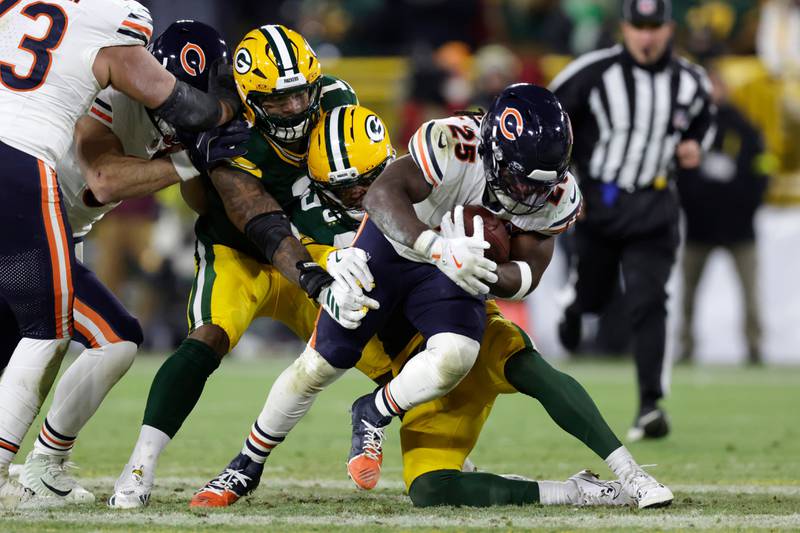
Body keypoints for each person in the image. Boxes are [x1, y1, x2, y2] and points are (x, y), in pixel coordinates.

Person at [191, 103, 674, 510]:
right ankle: (246, 465)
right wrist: (437, 248)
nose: (528, 194)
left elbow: (528, 273)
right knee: (320, 362)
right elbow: (382, 196)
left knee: (458, 354)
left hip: (451, 268)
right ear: (491, 151)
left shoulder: (556, 195)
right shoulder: (453, 144)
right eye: (519, 179)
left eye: (539, 185)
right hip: (398, 245)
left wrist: (485, 272)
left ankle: (375, 410)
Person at [108, 24, 378, 509]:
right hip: (239, 249)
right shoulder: (224, 129)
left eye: (300, 93)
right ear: (249, 98)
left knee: (380, 344)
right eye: (278, 99)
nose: (294, 107)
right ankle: (139, 466)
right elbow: (255, 218)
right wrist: (312, 275)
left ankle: (436, 446)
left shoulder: (336, 99)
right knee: (208, 336)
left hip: (311, 245)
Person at [0, 0, 239, 508]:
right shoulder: (112, 81)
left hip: (47, 226)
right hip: (27, 208)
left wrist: (217, 159)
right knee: (106, 336)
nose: (180, 108)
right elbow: (104, 180)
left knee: (43, 342)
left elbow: (197, 195)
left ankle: (43, 466)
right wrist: (193, 157)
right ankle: (42, 466)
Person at [550, 0, 716, 441]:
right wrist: (565, 183)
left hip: (655, 204)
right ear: (624, 28)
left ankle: (650, 405)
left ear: (669, 29)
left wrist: (695, 144)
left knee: (649, 301)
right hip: (600, 202)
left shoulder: (690, 80)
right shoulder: (591, 73)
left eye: (654, 26)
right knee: (595, 296)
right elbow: (549, 120)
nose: (646, 36)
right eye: (638, 26)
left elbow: (705, 122)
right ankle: (575, 305)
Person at [677, 68, 770, 365]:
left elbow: (761, 173)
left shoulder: (744, 127)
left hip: (739, 226)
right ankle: (685, 345)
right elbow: (681, 174)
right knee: (688, 292)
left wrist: (740, 200)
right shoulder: (691, 128)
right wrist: (698, 200)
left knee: (750, 290)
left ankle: (754, 346)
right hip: (700, 225)